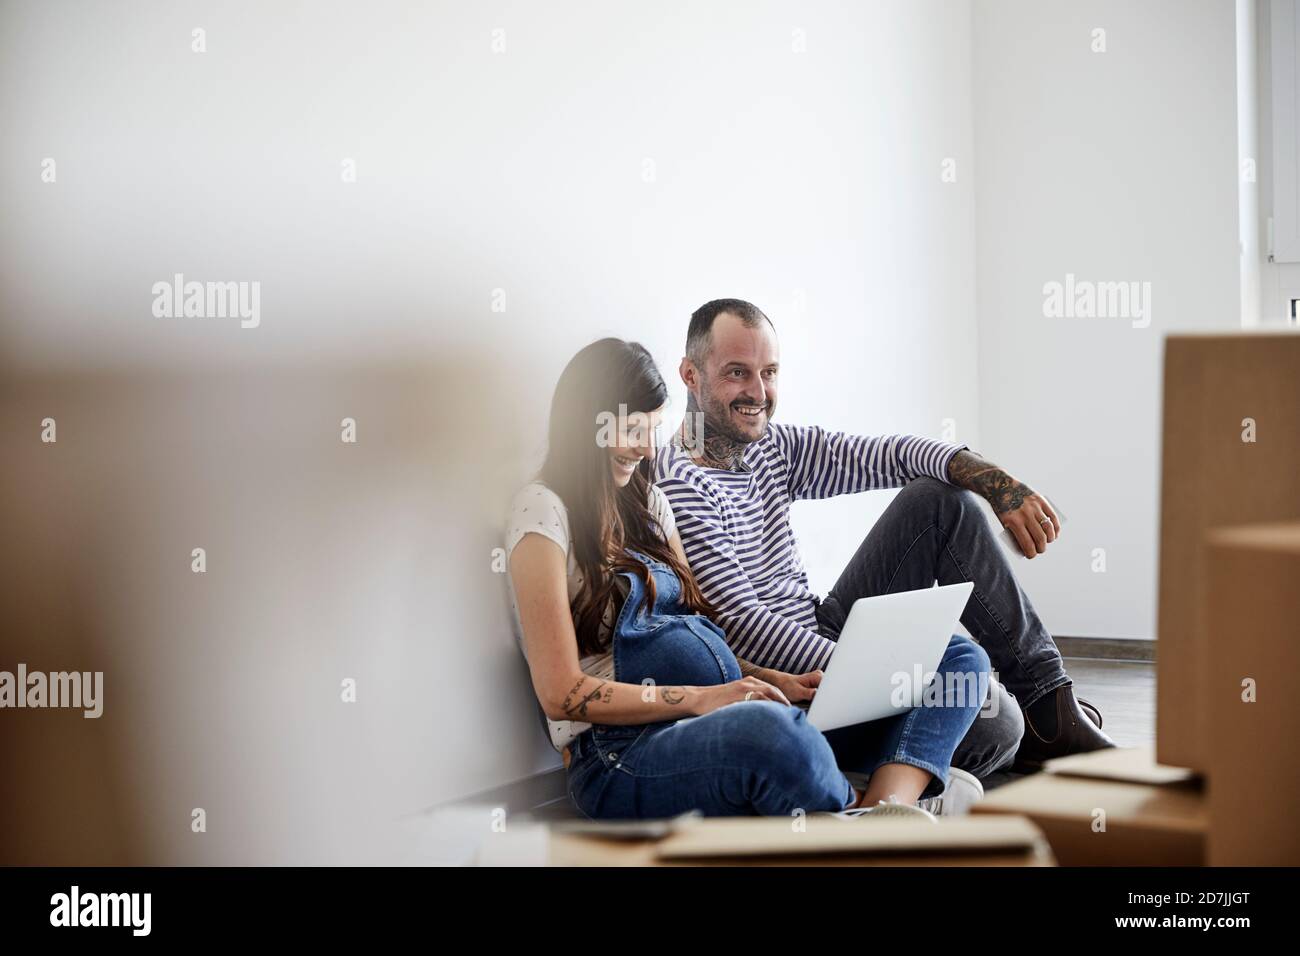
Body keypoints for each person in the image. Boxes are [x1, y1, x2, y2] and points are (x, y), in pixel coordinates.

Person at [505, 337, 992, 820]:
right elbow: (560, 692)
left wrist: (771, 680)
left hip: (716, 711)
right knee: (770, 733)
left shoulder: (648, 505)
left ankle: (883, 809)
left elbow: (694, 635)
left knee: (958, 657)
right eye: (632, 429)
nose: (645, 448)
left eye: (652, 430)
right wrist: (706, 699)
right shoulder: (542, 512)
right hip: (620, 753)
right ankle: (879, 802)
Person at [652, 299, 1116, 777]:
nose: (758, 391)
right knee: (997, 726)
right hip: (790, 687)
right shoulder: (681, 481)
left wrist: (993, 480)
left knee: (937, 501)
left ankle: (1050, 705)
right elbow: (743, 625)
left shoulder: (771, 444)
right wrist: (886, 672)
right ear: (691, 375)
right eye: (737, 373)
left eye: (768, 372)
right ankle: (987, 735)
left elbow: (889, 455)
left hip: (823, 628)